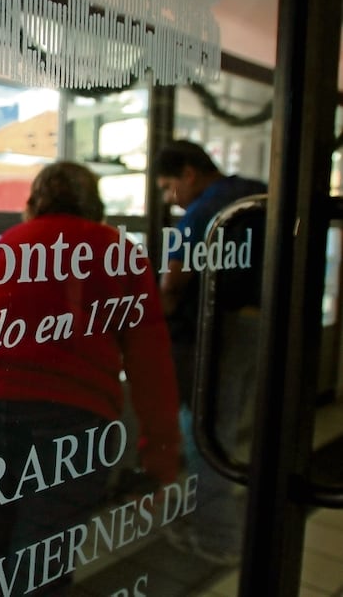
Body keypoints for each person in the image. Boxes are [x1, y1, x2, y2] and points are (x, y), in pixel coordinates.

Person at [0, 162, 181, 596]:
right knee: (44, 558)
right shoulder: (119, 252)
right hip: (71, 413)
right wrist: (161, 455)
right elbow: (151, 365)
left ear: (33, 204)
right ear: (97, 207)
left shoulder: (9, 244)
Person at [154, 140, 267, 564]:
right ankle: (212, 520)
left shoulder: (205, 211)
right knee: (223, 422)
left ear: (188, 173)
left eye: (169, 187)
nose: (171, 199)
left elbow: (173, 281)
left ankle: (218, 535)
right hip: (263, 326)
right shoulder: (258, 191)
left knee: (204, 430)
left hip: (222, 330)